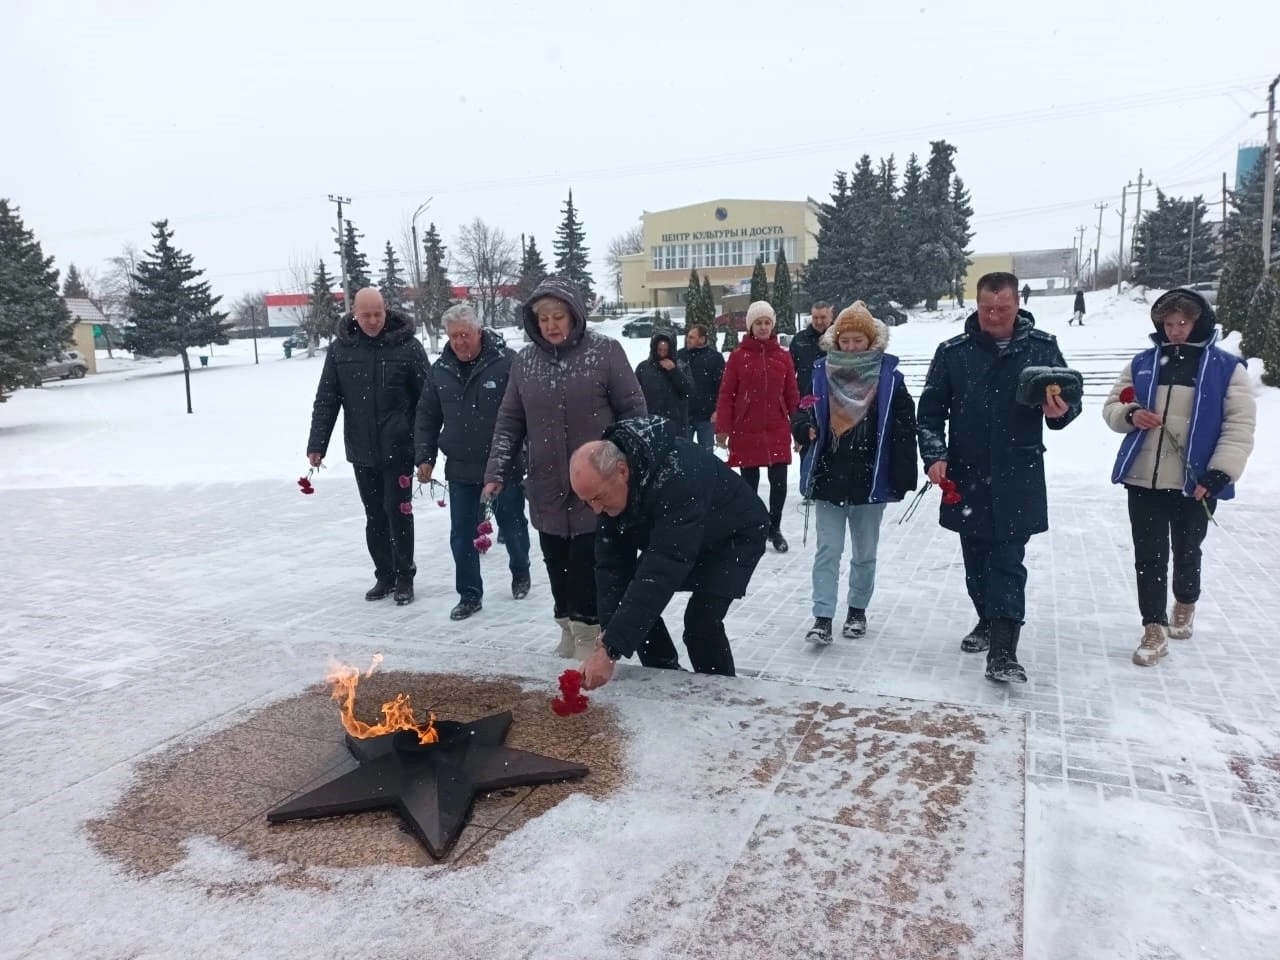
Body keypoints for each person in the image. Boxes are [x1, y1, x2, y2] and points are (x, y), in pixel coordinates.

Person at [916, 272, 1080, 683]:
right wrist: (935, 455)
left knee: (1008, 560)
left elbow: (1067, 402)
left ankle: (1004, 650)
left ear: (1017, 303)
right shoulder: (954, 353)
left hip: (1017, 472)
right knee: (976, 561)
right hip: (967, 473)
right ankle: (986, 620)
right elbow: (931, 411)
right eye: (986, 308)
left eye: (1002, 308)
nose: (993, 316)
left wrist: (1060, 412)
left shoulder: (1042, 349)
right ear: (976, 304)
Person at [484, 276, 647, 659]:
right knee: (557, 563)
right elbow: (510, 421)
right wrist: (496, 472)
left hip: (597, 488)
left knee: (591, 566)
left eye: (559, 316)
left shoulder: (605, 353)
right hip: (546, 486)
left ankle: (592, 634)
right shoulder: (524, 362)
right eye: (544, 319)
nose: (552, 325)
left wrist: (627, 467)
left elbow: (635, 413)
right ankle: (567, 629)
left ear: (574, 316)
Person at [1103, 289, 1255, 667]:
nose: (1175, 331)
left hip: (1195, 481)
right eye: (1168, 324)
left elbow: (1239, 425)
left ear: (1198, 322)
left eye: (1183, 323)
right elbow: (1113, 406)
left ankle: (1185, 600)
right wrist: (1131, 414)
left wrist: (1220, 472)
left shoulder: (1226, 368)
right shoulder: (1142, 363)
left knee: (1187, 548)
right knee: (1149, 556)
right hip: (1143, 479)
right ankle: (1153, 628)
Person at [570, 417, 769, 690]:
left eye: (597, 498)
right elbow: (611, 568)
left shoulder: (678, 477)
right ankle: (665, 677)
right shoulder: (609, 489)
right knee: (630, 610)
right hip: (686, 535)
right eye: (587, 502)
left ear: (622, 471)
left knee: (701, 624)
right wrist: (607, 639)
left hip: (734, 536)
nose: (595, 510)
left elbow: (661, 571)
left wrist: (610, 650)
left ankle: (722, 695)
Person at [793, 303, 918, 645]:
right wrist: (803, 428)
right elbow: (802, 409)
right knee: (828, 551)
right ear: (836, 339)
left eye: (857, 340)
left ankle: (857, 612)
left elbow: (906, 425)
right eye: (844, 340)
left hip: (869, 478)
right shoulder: (821, 372)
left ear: (870, 340)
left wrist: (903, 471)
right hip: (829, 476)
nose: (850, 346)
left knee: (864, 552)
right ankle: (822, 617)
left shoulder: (888, 377)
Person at [306, 287, 429, 605]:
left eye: (378, 313)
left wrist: (421, 446)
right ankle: (384, 575)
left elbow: (426, 401)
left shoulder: (408, 347)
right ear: (354, 314)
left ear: (386, 311)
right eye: (366, 315)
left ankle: (404, 576)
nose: (373, 321)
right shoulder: (341, 350)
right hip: (361, 450)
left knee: (398, 512)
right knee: (374, 514)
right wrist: (317, 443)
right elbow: (327, 399)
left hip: (399, 449)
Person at [414, 304, 532, 621]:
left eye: (465, 334)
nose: (459, 342)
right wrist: (424, 457)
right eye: (453, 336)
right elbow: (426, 417)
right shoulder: (440, 371)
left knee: (512, 523)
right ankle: (469, 594)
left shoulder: (506, 363)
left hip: (503, 464)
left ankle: (521, 568)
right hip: (461, 467)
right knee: (462, 533)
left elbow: (527, 411)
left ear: (478, 331)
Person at [715, 300, 800, 553]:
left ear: (772, 325)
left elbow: (792, 395)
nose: (763, 327)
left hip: (776, 427)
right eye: (758, 323)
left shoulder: (783, 356)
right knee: (748, 485)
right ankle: (752, 527)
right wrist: (723, 427)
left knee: (779, 482)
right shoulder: (738, 357)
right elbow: (726, 394)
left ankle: (775, 527)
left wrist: (798, 427)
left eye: (767, 323)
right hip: (746, 429)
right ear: (750, 327)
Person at [676, 323, 725, 450]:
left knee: (707, 454)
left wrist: (718, 410)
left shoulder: (715, 358)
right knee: (684, 454)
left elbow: (722, 386)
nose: (688, 339)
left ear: (702, 339)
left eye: (692, 337)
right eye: (688, 336)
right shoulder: (680, 356)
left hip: (706, 416)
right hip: (684, 415)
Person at [634, 331, 690, 435]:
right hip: (651, 421)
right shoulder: (643, 368)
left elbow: (688, 390)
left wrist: (674, 371)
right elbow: (635, 393)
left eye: (666, 350)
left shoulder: (681, 366)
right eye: (660, 350)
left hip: (675, 423)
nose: (663, 353)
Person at [789, 300, 834, 398]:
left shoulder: (841, 338)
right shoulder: (799, 340)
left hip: (834, 401)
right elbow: (790, 372)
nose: (819, 321)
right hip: (806, 399)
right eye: (815, 317)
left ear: (831, 316)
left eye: (823, 317)